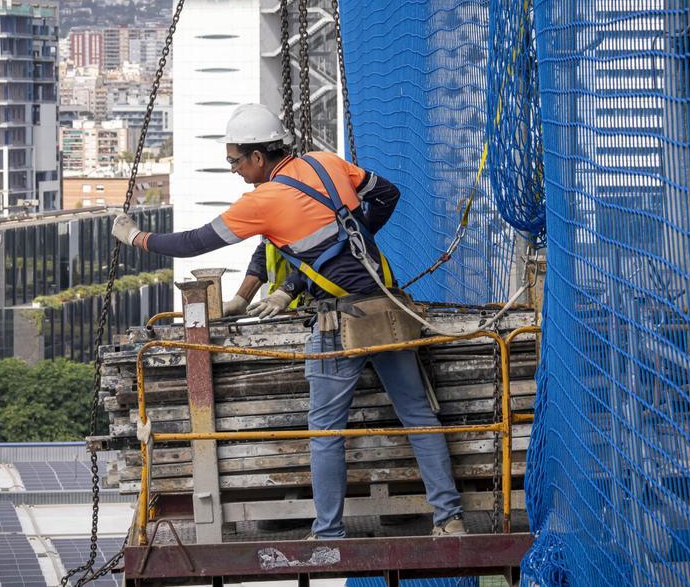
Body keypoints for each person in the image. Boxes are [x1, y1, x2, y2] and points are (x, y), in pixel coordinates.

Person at [111, 103, 466, 539]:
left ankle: (329, 533)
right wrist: (349, 247)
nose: (235, 170)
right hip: (386, 307)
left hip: (340, 323)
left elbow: (193, 242)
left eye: (235, 161)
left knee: (326, 432)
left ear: (258, 157)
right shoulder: (326, 162)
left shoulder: (264, 200)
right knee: (418, 414)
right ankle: (449, 519)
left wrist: (136, 237)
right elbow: (385, 194)